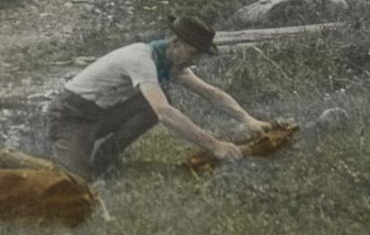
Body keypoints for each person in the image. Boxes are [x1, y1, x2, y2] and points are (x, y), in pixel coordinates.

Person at [45, 12, 270, 182]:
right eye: (192, 54)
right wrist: (215, 145)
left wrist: (248, 119)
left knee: (150, 106)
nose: (193, 61)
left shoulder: (167, 60)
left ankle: (105, 159)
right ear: (175, 43)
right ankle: (71, 154)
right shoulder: (140, 59)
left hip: (101, 112)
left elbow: (212, 93)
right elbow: (164, 114)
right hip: (71, 115)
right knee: (77, 184)